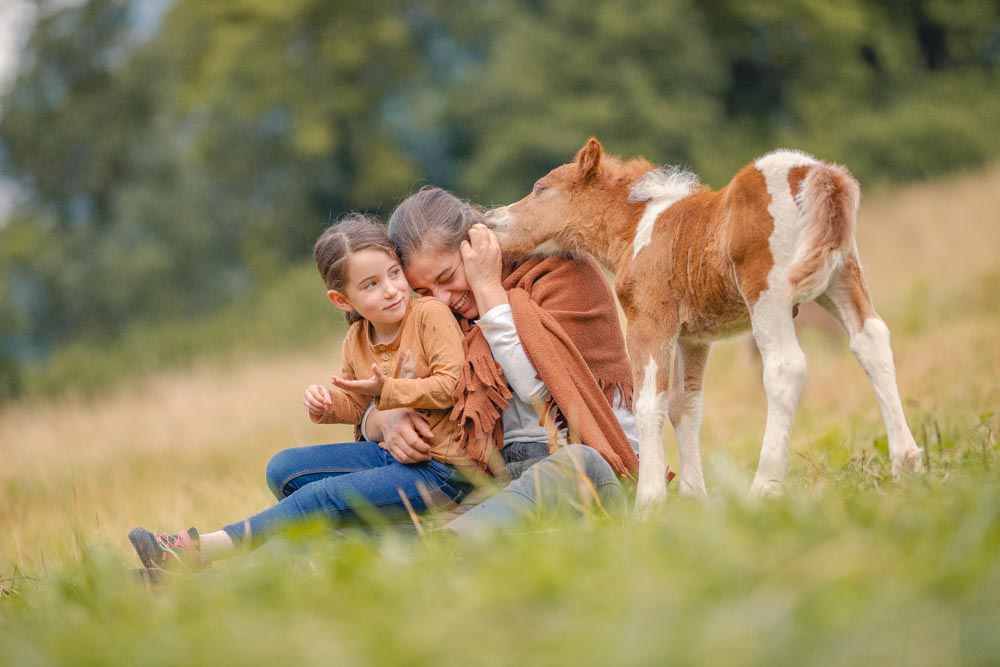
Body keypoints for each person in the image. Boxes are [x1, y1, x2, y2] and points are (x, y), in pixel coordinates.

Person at [129, 215, 475, 571]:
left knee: (320, 495)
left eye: (393, 274)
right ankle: (339, 533)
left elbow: (453, 385)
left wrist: (388, 391)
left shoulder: (429, 314)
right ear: (342, 300)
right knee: (283, 468)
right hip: (391, 458)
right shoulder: (357, 339)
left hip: (444, 472)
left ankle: (202, 550)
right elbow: (357, 405)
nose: (390, 289)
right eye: (370, 285)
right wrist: (327, 405)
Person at [376, 187, 645, 534]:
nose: (442, 299)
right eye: (424, 292)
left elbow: (542, 393)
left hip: (593, 467)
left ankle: (453, 538)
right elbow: (398, 384)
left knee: (579, 464)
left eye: (446, 277)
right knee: (406, 501)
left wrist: (489, 290)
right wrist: (384, 416)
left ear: (477, 245)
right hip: (501, 480)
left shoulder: (563, 273)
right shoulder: (438, 319)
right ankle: (446, 538)